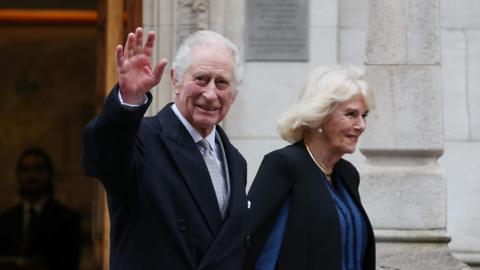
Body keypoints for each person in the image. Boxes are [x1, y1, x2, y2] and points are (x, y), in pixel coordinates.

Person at [82, 27, 248, 269]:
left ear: (233, 95)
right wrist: (128, 100)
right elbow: (100, 158)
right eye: (201, 78)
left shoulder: (236, 161)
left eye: (221, 83)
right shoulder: (140, 140)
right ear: (176, 81)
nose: (211, 94)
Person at [244, 67, 376, 270]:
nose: (361, 125)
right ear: (321, 116)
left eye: (363, 115)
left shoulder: (347, 174)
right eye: (351, 114)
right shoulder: (284, 165)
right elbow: (252, 243)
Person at [0, 147, 82, 270]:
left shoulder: (67, 219)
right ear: (18, 175)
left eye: (38, 169)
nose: (31, 175)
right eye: (25, 169)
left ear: (49, 174)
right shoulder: (5, 220)